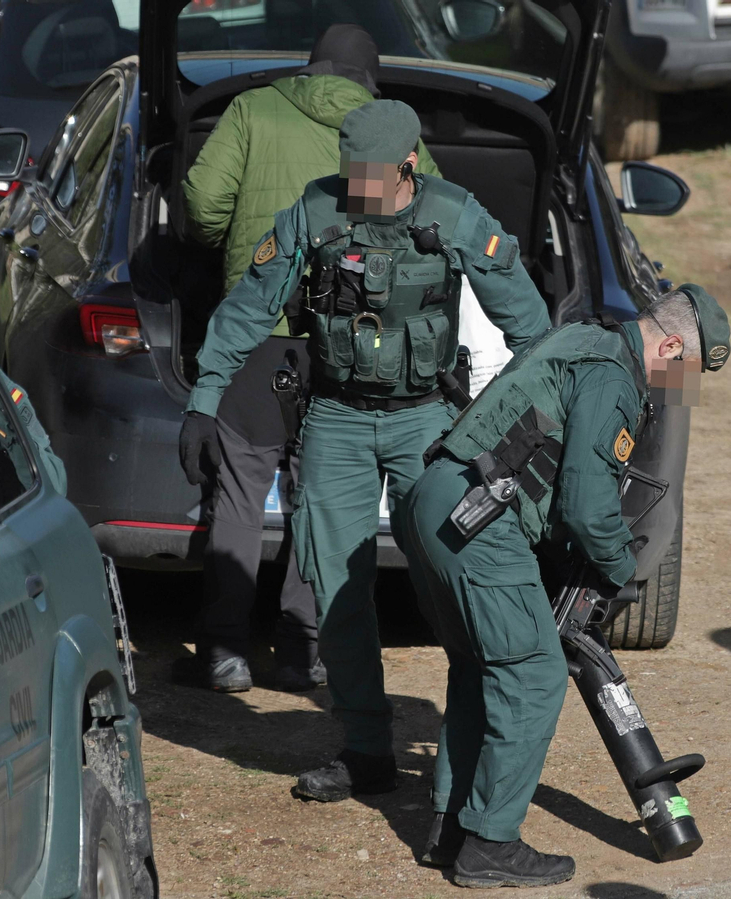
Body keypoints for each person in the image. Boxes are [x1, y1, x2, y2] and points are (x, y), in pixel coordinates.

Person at [180, 99, 552, 802]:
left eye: (375, 177)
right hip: (337, 421)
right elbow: (249, 305)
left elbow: (529, 322)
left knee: (456, 579)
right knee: (338, 587)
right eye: (352, 174)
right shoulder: (315, 213)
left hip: (428, 423)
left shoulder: (456, 213)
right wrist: (204, 399)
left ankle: (468, 744)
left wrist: (525, 420)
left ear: (410, 166)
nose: (360, 189)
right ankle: (364, 749)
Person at [403, 286, 730, 888]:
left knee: (483, 666)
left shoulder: (582, 337)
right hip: (480, 518)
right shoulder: (616, 376)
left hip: (437, 500)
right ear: (675, 344)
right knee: (534, 672)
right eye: (688, 373)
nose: (684, 392)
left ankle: (452, 830)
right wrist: (618, 569)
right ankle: (490, 846)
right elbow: (586, 501)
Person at [179, 25, 443, 693]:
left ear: (309, 68)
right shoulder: (388, 132)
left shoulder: (251, 109)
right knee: (319, 494)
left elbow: (202, 203)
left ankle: (222, 651)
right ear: (370, 81)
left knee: (239, 488)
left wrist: (228, 241)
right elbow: (433, 212)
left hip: (257, 330)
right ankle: (300, 651)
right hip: (348, 340)